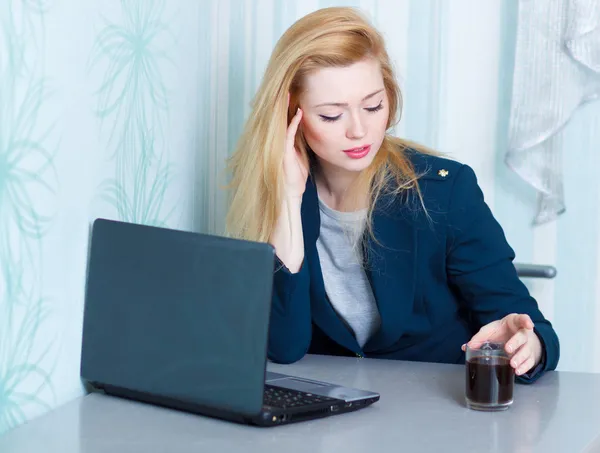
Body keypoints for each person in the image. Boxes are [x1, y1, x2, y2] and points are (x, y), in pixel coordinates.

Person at [226, 6, 559, 383]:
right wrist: (287, 199)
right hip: (334, 420)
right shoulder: (282, 192)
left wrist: (529, 346)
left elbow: (533, 328)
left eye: (373, 106)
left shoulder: (444, 191)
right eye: (332, 116)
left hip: (438, 412)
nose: (359, 131)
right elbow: (284, 348)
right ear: (290, 114)